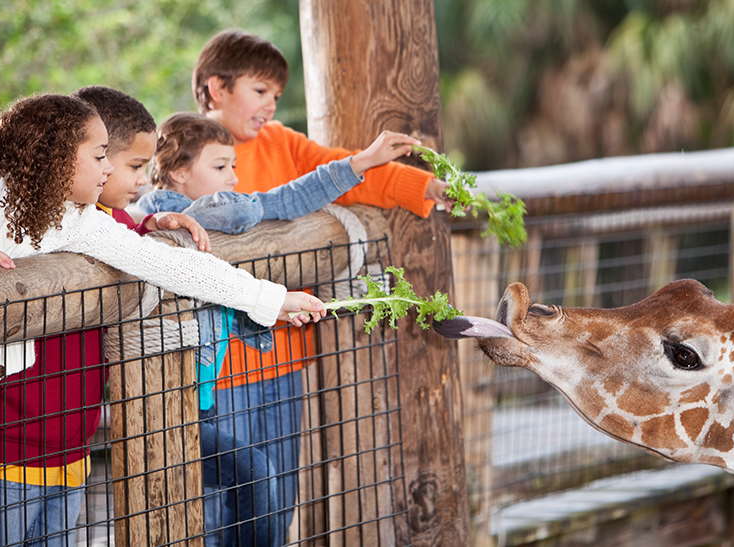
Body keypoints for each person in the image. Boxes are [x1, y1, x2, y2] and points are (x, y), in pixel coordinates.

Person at [0, 93, 325, 547]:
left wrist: (271, 298)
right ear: (57, 153)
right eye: (99, 156)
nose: (108, 170)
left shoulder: (74, 218)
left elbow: (167, 264)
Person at [190, 28, 455, 539]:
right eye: (260, 91)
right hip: (216, 371)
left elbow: (351, 172)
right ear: (217, 88)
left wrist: (424, 185)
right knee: (220, 506)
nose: (270, 105)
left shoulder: (283, 144)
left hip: (285, 359)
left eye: (276, 96)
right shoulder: (186, 149)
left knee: (277, 499)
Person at [136, 111, 421, 544]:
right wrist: (354, 165)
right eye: (220, 168)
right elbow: (264, 206)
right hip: (170, 397)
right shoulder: (180, 217)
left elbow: (278, 201)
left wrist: (361, 163)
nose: (234, 178)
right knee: (221, 502)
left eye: (233, 166)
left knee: (250, 489)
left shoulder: (192, 213)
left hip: (202, 391)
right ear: (176, 172)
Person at [73, 86, 288, 546]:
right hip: (148, 405)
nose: (137, 178)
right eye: (132, 166)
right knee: (252, 474)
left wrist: (147, 224)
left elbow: (131, 222)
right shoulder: (127, 216)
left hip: (192, 403)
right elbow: (187, 235)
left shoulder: (129, 221)